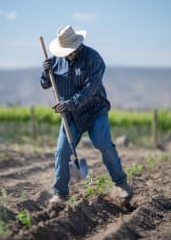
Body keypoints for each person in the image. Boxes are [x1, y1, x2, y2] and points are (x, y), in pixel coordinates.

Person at [40, 25, 132, 205]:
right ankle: (60, 193)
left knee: (104, 145)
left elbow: (90, 90)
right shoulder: (56, 60)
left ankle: (121, 184)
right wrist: (45, 72)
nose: (66, 54)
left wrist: (69, 103)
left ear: (77, 45)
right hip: (71, 115)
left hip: (95, 110)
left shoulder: (94, 59)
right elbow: (45, 84)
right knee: (61, 151)